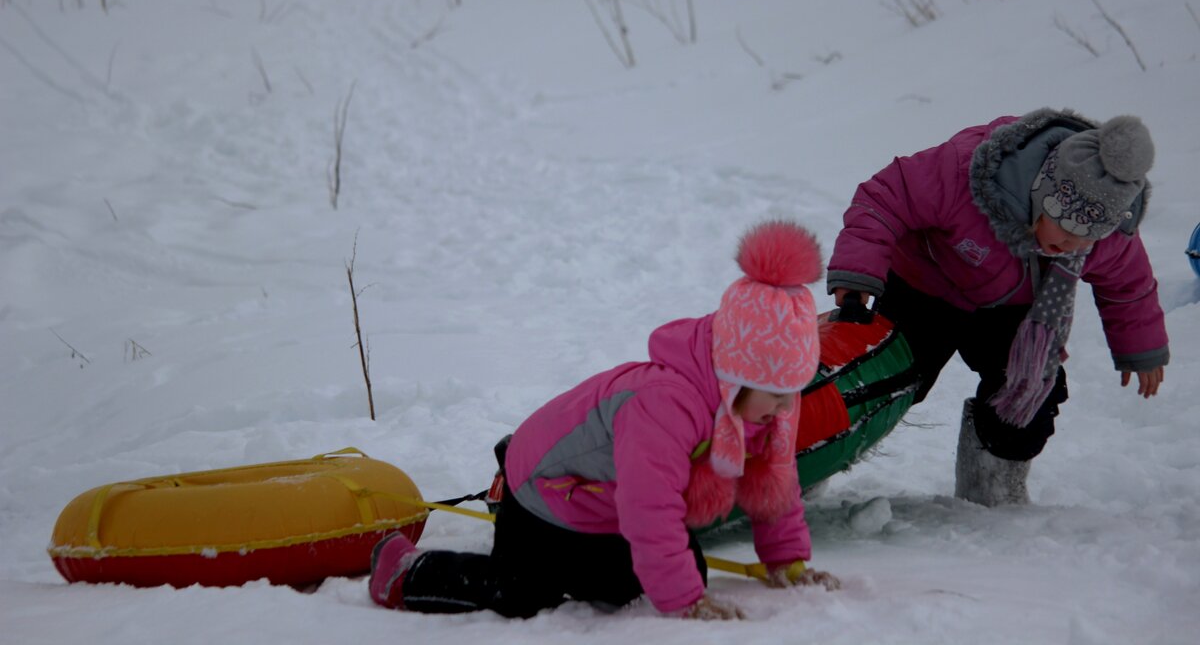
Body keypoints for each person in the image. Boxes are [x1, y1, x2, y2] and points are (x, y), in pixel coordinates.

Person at [369, 220, 840, 620]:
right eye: (777, 395)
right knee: (525, 594)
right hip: (546, 490)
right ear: (736, 376)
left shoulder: (769, 396)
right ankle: (405, 571)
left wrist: (788, 564)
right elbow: (650, 507)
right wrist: (685, 603)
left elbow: (774, 481)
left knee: (675, 575)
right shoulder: (664, 405)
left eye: (792, 391)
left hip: (604, 498)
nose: (786, 407)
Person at [826, 109, 1169, 506]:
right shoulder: (967, 171)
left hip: (1009, 312)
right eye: (1067, 225)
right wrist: (857, 275)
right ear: (1041, 193)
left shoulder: (1105, 230)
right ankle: (808, 458)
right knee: (882, 380)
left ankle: (989, 486)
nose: (1076, 243)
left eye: (1090, 235)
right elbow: (884, 199)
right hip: (923, 288)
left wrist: (1141, 350)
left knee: (1031, 391)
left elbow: (1129, 286)